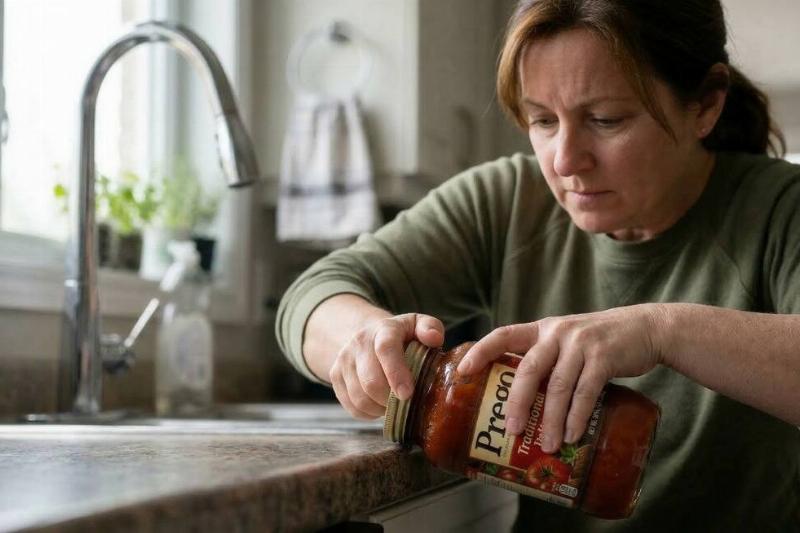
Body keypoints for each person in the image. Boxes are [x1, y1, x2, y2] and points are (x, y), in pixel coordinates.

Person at [276, 0, 800, 529]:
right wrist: (365, 340)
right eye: (543, 120)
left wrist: (660, 330)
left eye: (606, 119)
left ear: (706, 104)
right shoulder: (506, 201)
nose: (566, 160)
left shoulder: (781, 210)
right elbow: (315, 293)